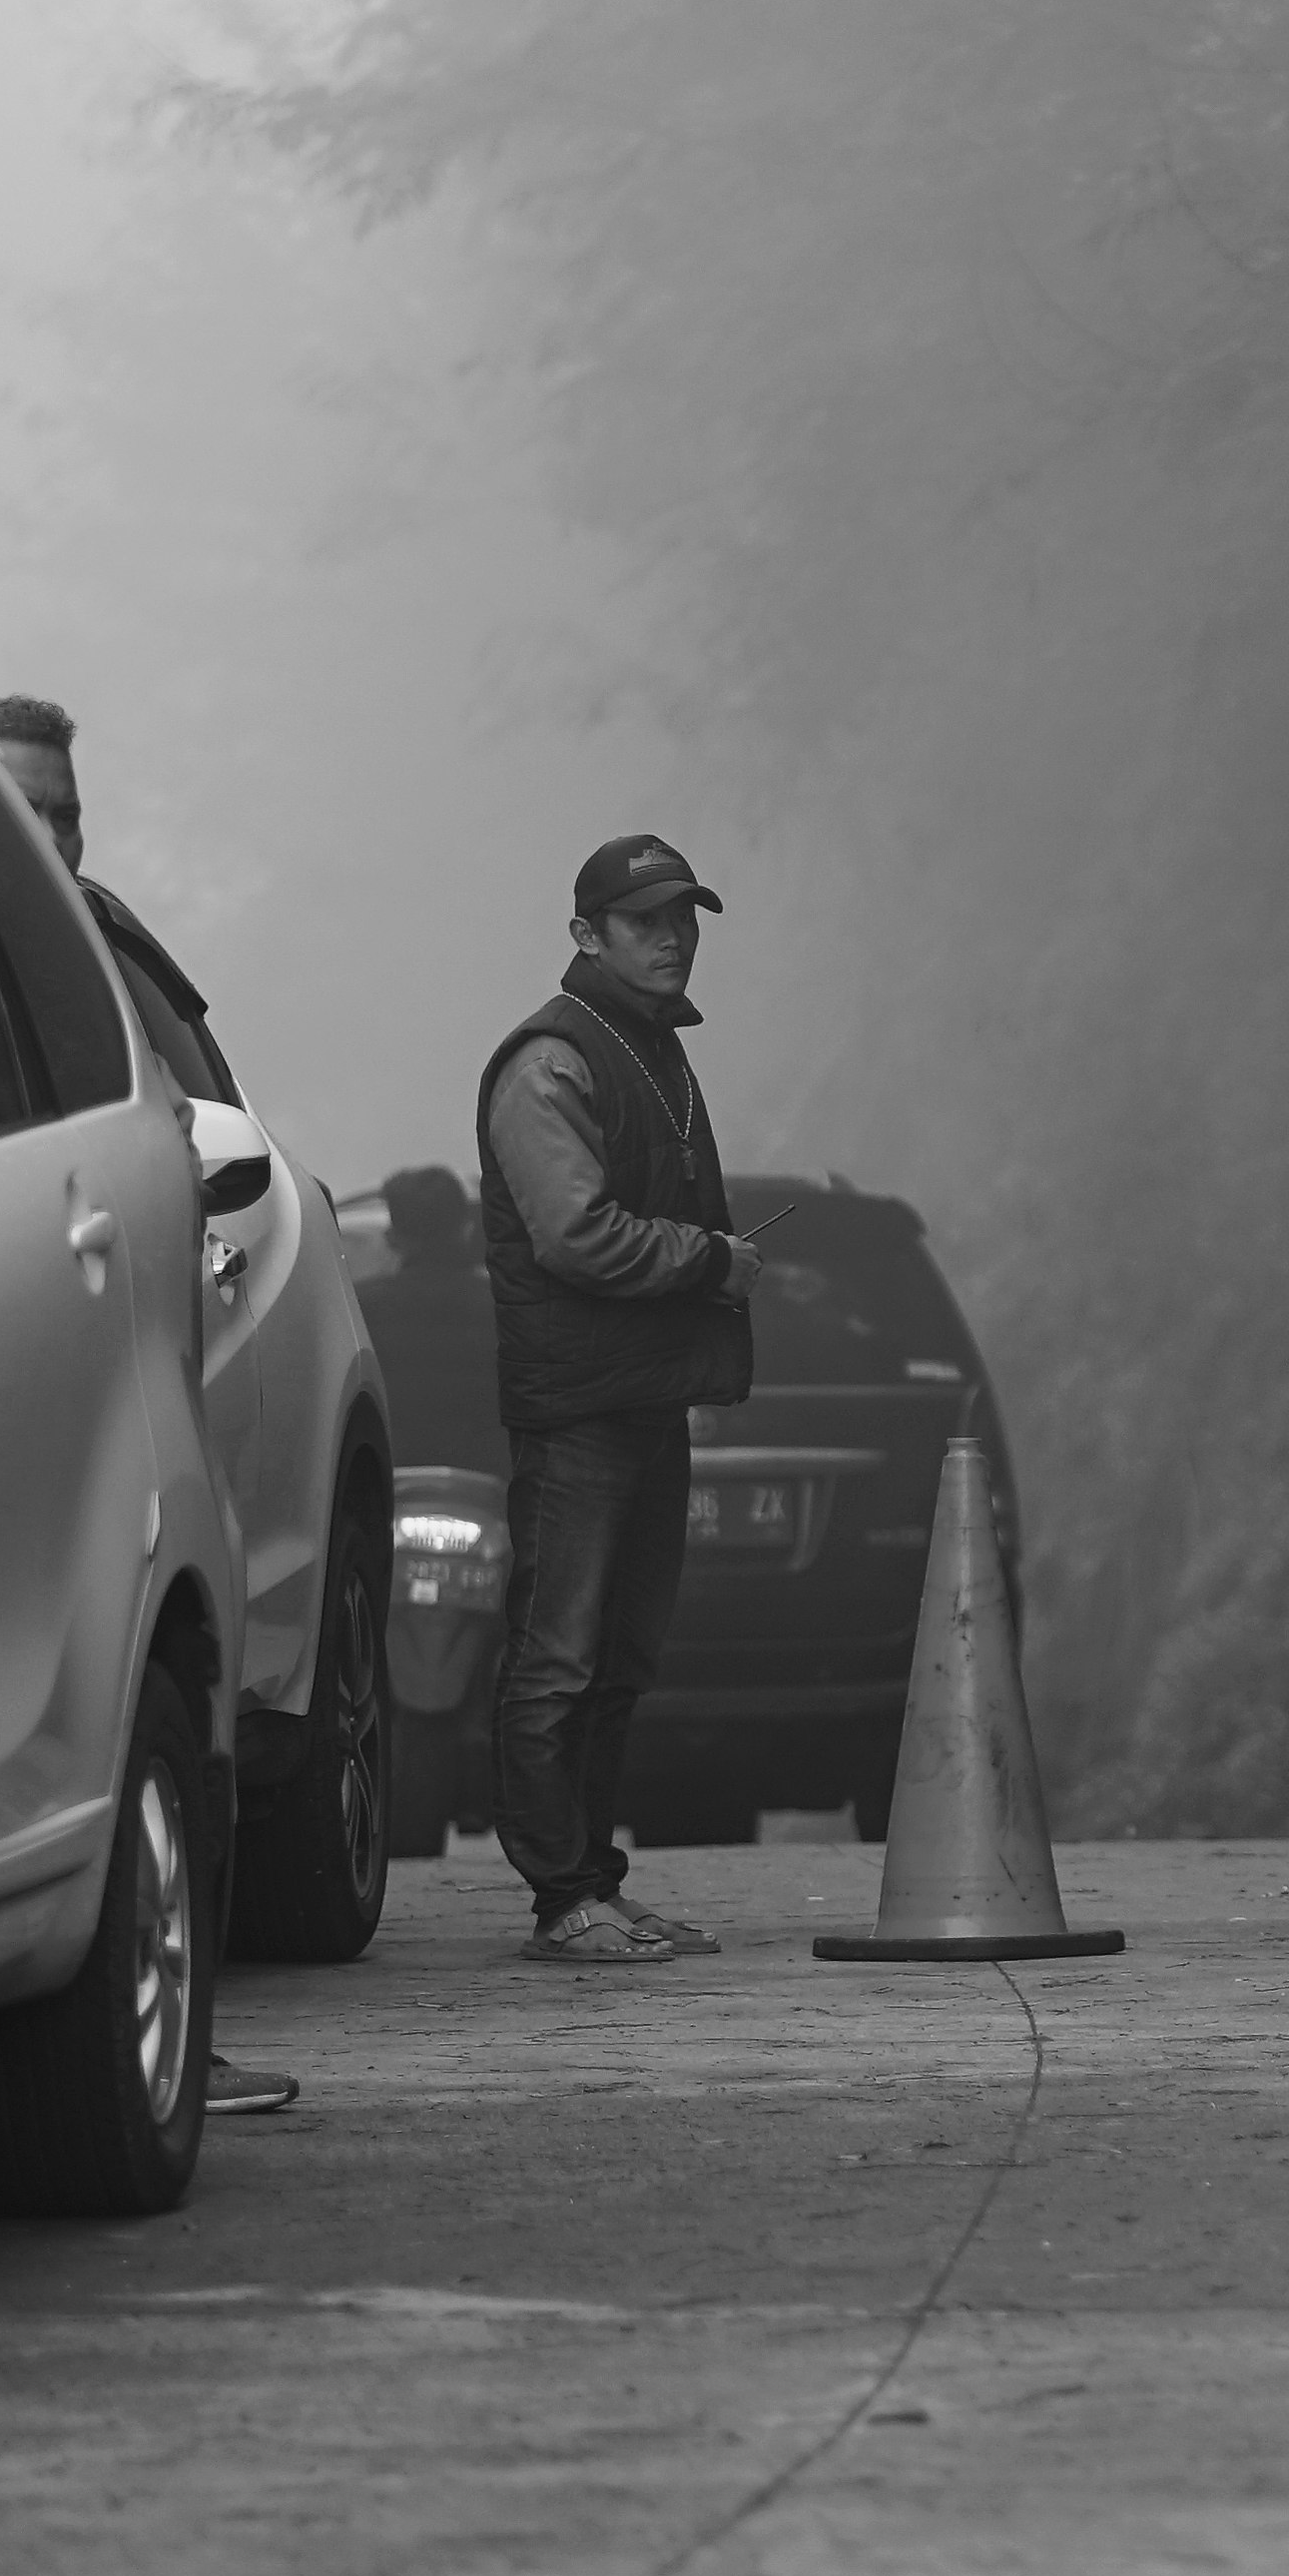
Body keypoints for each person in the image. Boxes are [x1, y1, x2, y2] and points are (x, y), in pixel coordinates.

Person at [0, 691, 302, 2119]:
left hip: (132, 1406)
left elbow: (199, 1151)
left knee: (161, 1702)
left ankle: (156, 2037)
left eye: (67, 814)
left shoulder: (112, 973)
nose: (49, 840)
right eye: (18, 811)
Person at [474, 833, 761, 1963]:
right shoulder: (551, 1061)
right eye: (647, 921)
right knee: (558, 1658)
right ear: (589, 933)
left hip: (646, 1399)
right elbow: (572, 1231)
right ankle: (560, 1898)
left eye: (685, 917)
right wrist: (710, 1260)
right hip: (581, 1409)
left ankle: (598, 1883)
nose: (675, 937)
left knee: (622, 1658)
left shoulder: (648, 1048)